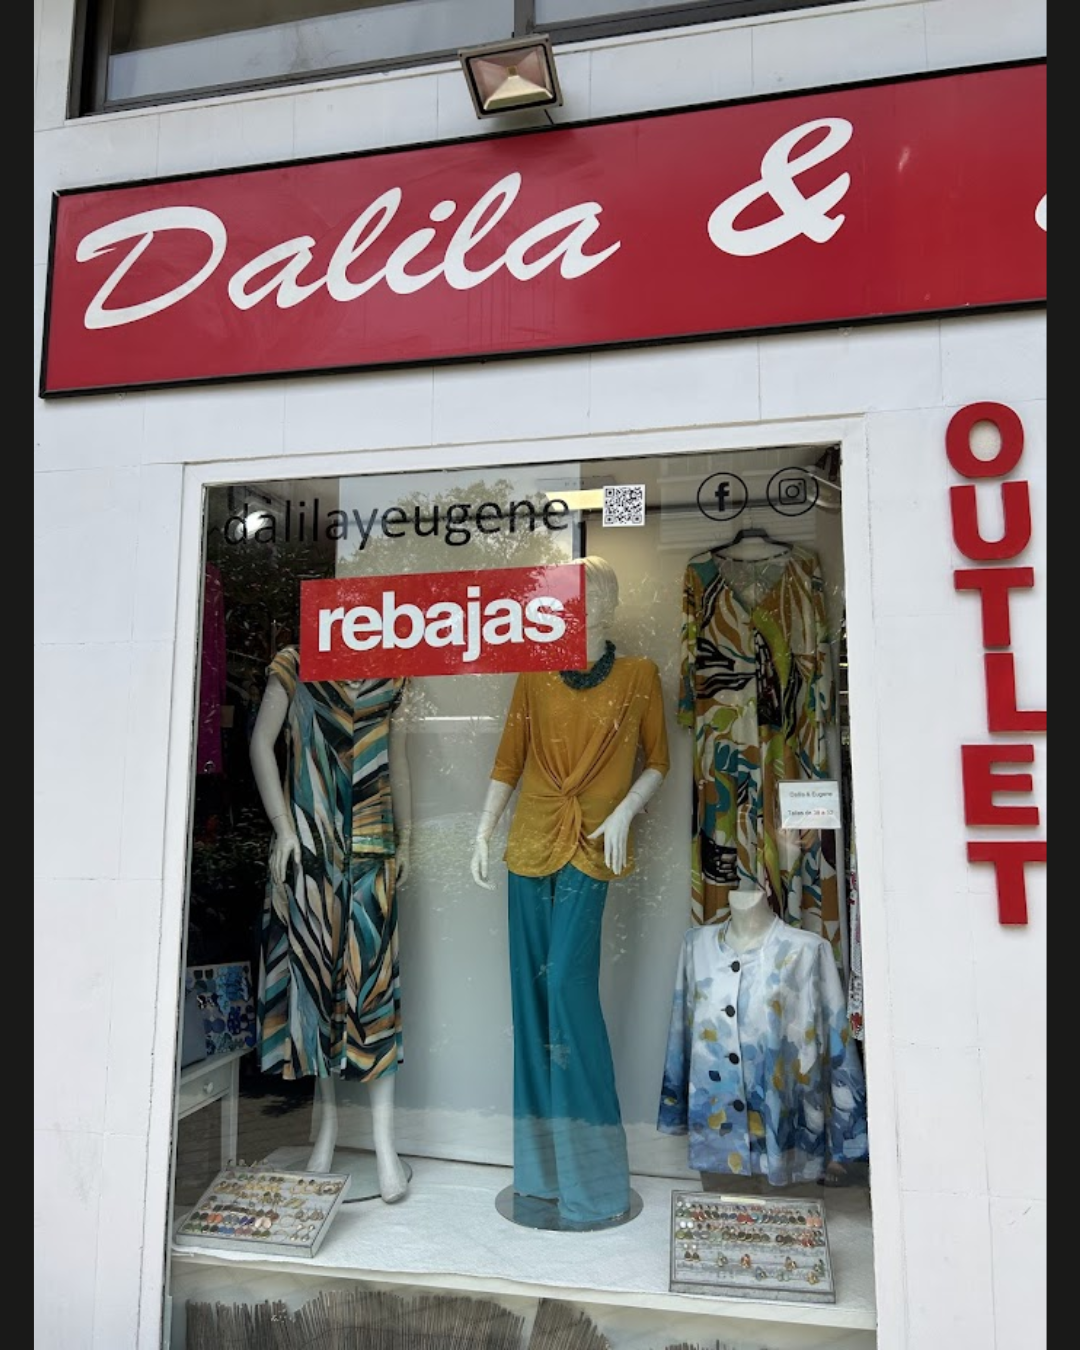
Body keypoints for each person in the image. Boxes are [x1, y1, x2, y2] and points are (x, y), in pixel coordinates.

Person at [471, 556, 670, 1228]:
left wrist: (625, 812)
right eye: (572, 600)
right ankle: (540, 1174)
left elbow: (658, 761)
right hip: (530, 842)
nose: (582, 610)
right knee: (529, 998)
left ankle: (595, 1180)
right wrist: (482, 833)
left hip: (594, 843)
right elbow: (509, 760)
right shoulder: (534, 674)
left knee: (565, 988)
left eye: (593, 598)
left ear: (610, 606)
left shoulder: (639, 676)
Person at [249, 644, 412, 1203]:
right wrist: (284, 829)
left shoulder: (394, 670)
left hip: (373, 854)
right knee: (319, 993)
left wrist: (407, 838)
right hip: (310, 850)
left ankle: (386, 1145)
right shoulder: (296, 663)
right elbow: (261, 744)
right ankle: (328, 1129)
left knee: (374, 993)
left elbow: (397, 760)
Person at [657, 883, 867, 1187]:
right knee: (719, 1209)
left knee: (789, 1213)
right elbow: (682, 1032)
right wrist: (674, 1109)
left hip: (787, 1144)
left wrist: (848, 1134)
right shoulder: (696, 946)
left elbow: (837, 1043)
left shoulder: (807, 950)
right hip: (718, 1138)